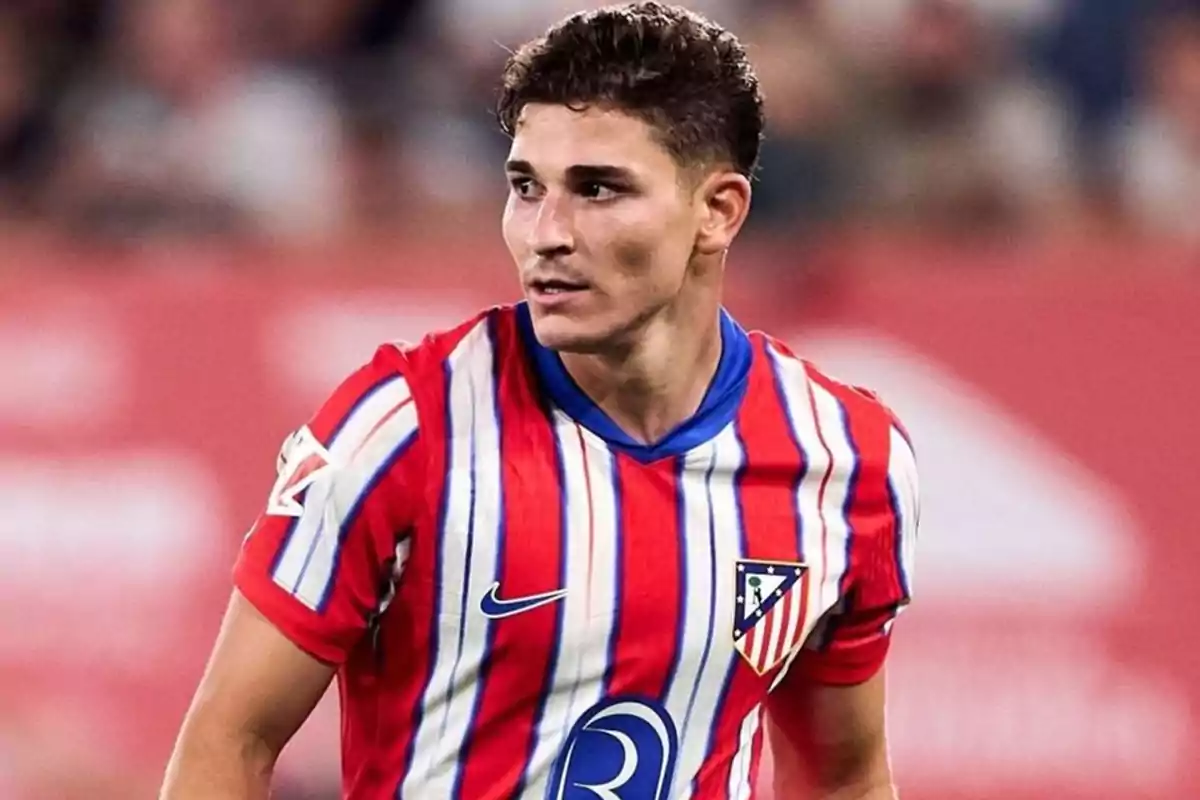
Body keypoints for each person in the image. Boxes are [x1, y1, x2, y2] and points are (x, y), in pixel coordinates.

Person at [159, 3, 919, 799]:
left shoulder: (847, 461)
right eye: (526, 187)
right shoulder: (405, 427)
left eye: (598, 189)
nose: (545, 233)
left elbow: (842, 778)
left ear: (717, 212)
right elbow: (229, 741)